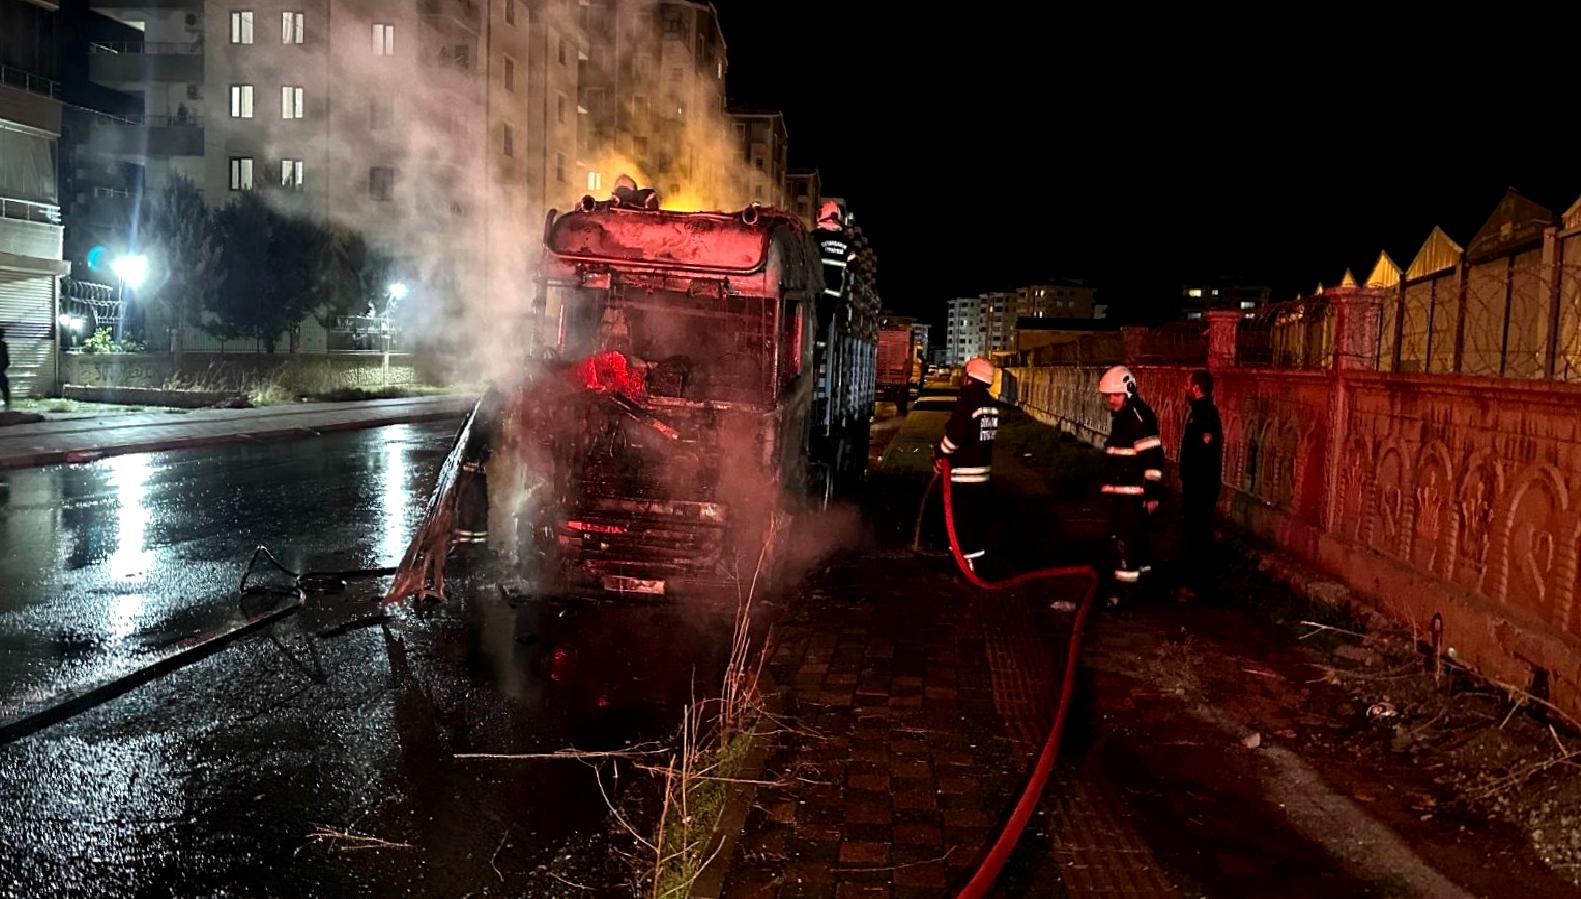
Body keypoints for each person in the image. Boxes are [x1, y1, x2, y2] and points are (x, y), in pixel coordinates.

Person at [1098, 366, 1162, 607]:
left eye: (1115, 395)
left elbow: (1154, 458)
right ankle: (1142, 586)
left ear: (1129, 391)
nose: (1111, 400)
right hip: (1124, 493)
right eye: (1108, 396)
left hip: (1133, 495)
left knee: (1125, 542)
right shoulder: (1125, 417)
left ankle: (1125, 595)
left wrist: (1152, 493)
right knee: (1138, 542)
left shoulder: (1137, 418)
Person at [934, 357, 998, 574]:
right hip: (982, 476)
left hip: (963, 477)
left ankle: (964, 568)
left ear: (970, 378)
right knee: (976, 523)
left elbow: (953, 438)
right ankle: (977, 564)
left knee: (961, 524)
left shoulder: (968, 402)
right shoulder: (990, 404)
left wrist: (939, 453)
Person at [1177, 369, 1223, 601]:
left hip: (1201, 488)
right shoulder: (1198, 412)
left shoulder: (1205, 415)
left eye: (1188, 384)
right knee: (1195, 534)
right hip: (1197, 486)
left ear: (1196, 388)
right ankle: (1197, 583)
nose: (1185, 388)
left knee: (1199, 535)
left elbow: (1204, 455)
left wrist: (1194, 479)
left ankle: (1199, 585)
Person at [0, 327, 10, 412]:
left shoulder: (3, 345)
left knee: (5, 387)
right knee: (5, 388)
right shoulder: (3, 345)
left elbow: (6, 361)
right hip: (0, 371)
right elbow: (6, 361)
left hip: (0, 371)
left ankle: (7, 405)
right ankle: (7, 405)